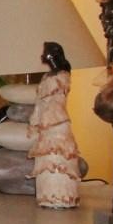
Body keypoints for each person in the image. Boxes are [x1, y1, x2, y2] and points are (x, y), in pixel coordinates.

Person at [31, 41, 82, 209]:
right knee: (47, 157)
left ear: (51, 55)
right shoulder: (47, 77)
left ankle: (62, 196)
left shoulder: (62, 76)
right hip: (47, 123)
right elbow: (40, 101)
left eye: (44, 52)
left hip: (57, 122)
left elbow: (55, 99)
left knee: (58, 154)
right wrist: (36, 120)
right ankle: (48, 194)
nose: (41, 56)